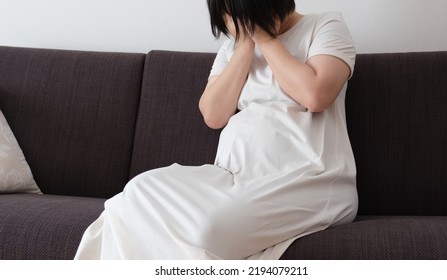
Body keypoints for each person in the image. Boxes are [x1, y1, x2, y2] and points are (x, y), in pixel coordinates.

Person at [75, 0, 358, 260]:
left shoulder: (325, 25)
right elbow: (213, 114)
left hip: (306, 178)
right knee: (136, 194)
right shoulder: (232, 49)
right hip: (231, 178)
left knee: (206, 229)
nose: (238, 24)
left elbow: (315, 96)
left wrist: (265, 38)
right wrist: (245, 47)